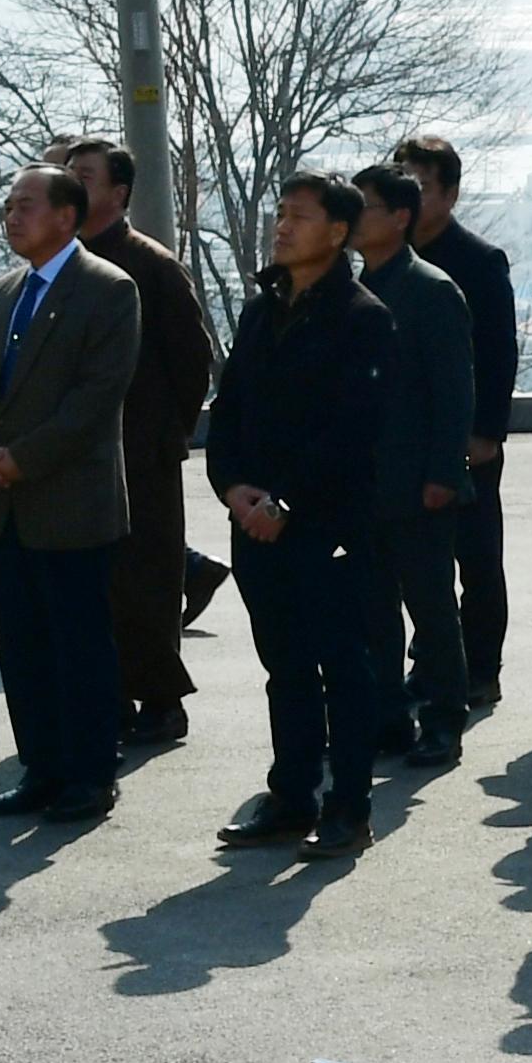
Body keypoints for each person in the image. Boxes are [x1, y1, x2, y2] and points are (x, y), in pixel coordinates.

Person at [205, 172, 399, 859]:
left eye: (300, 217)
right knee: (284, 665)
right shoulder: (264, 309)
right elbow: (226, 415)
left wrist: (286, 501)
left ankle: (348, 807)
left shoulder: (362, 317)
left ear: (339, 233)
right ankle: (291, 796)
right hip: (254, 525)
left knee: (343, 667)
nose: (282, 227)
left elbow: (352, 432)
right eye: (280, 214)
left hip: (328, 528)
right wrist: (232, 489)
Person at [0, 165, 143, 822]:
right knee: (22, 645)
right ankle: (40, 766)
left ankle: (91, 776)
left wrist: (20, 460)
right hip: (2, 505)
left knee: (79, 645)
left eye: (25, 206)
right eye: (7, 207)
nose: (11, 217)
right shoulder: (3, 293)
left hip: (70, 503)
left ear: (67, 215)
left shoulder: (108, 290)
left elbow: (95, 400)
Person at [62, 138, 215, 751]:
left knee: (144, 583)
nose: (73, 184)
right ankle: (107, 698)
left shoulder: (148, 264)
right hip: (72, 458)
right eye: (67, 174)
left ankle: (161, 702)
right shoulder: (61, 263)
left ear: (119, 192)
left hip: (140, 454)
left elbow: (191, 358)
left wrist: (163, 436)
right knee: (89, 587)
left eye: (86, 176)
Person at [349, 163, 475, 772]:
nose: (353, 218)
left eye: (364, 207)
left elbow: (455, 393)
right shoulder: (350, 289)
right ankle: (387, 716)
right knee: (371, 606)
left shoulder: (430, 289)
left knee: (431, 607)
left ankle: (446, 720)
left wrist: (443, 474)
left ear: (399, 217)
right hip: (365, 482)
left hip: (419, 481)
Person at [396, 132, 518, 720]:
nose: (412, 197)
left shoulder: (477, 259)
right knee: (419, 562)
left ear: (450, 193)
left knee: (476, 558)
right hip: (407, 442)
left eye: (422, 185)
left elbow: (498, 354)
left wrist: (487, 431)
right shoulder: (385, 261)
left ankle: (483, 668)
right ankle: (431, 664)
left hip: (468, 437)